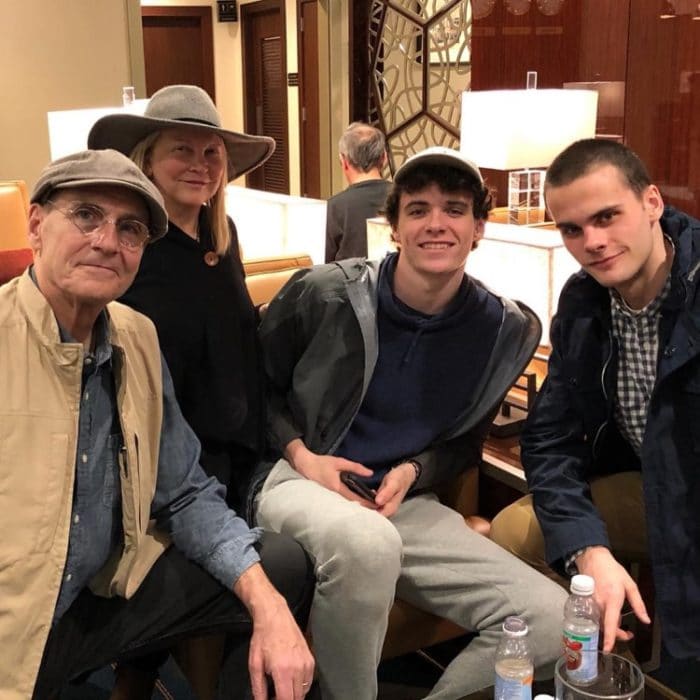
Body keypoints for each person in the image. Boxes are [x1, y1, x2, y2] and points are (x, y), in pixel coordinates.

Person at [250, 146, 568, 699]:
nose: (436, 223)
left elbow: (463, 444)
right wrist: (304, 457)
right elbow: (253, 391)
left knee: (553, 618)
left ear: (479, 229)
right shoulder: (324, 294)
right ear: (394, 228)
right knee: (369, 544)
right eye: (418, 209)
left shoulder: (501, 329)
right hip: (297, 477)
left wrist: (415, 471)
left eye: (455, 209)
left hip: (401, 504)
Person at [0, 149, 314, 700]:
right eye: (86, 215)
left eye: (130, 229)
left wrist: (268, 605)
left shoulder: (137, 336)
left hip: (99, 595)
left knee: (282, 567)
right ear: (36, 225)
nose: (107, 241)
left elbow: (183, 490)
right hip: (15, 619)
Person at [88, 84, 283, 698]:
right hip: (162, 460)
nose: (200, 164)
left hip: (235, 448)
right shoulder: (130, 250)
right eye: (182, 149)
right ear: (148, 159)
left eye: (211, 152)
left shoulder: (224, 240)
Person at [489, 138, 700, 695]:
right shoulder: (584, 300)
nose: (593, 242)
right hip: (652, 484)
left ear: (652, 202)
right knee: (512, 530)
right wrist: (589, 549)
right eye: (572, 229)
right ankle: (591, 672)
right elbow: (549, 440)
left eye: (607, 217)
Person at [324, 121, 390, 262]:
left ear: (344, 161)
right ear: (384, 158)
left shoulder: (333, 208)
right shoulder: (404, 199)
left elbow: (322, 266)